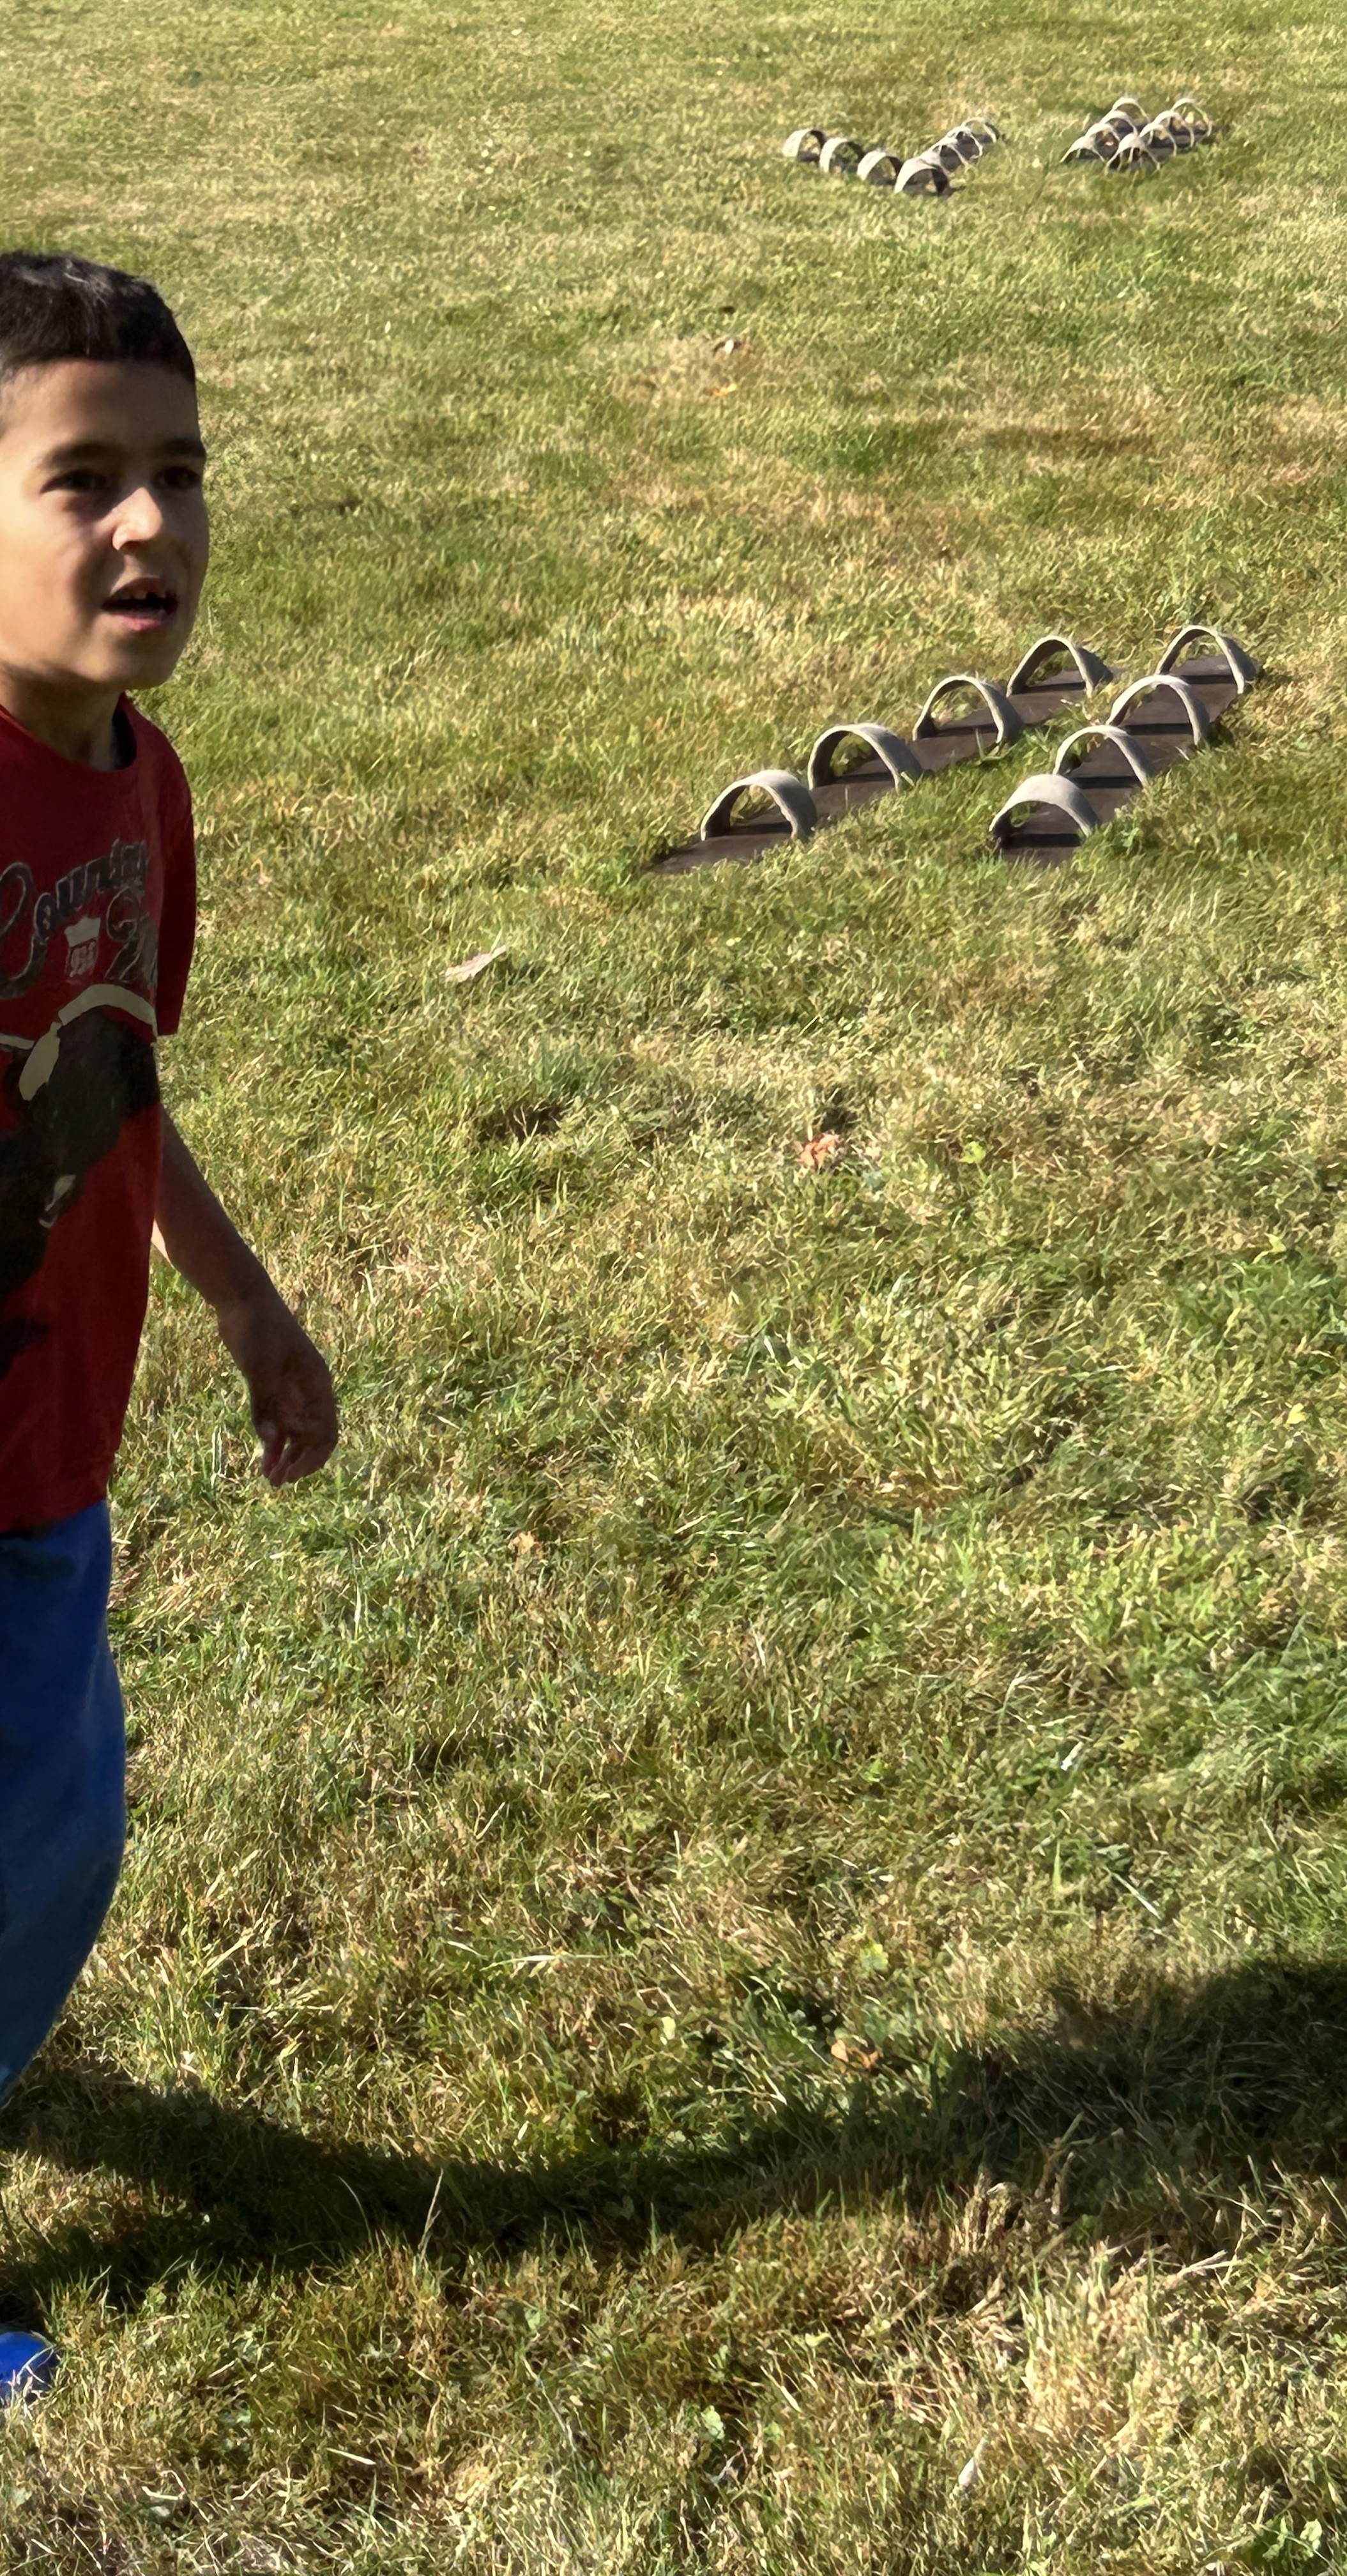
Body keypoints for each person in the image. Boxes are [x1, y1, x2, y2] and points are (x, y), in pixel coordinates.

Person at [0, 250, 338, 2390]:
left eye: (181, 472)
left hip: (51, 1450)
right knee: (37, 1835)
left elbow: (116, 1069)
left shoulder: (140, 781)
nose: (151, 524)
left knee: (48, 1835)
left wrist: (243, 1296)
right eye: (82, 479)